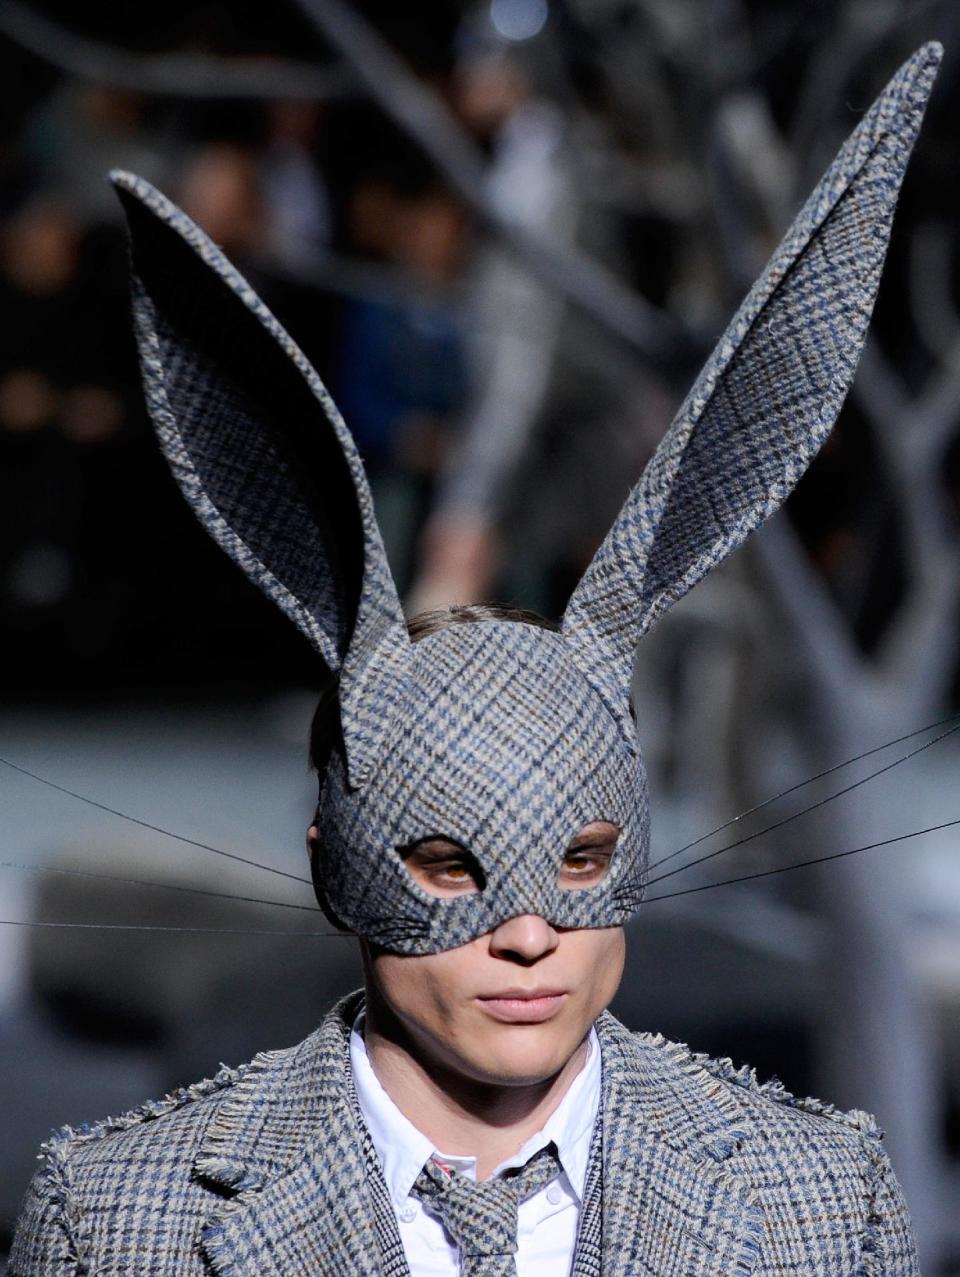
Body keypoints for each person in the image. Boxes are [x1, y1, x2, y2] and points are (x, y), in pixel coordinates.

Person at [10, 43, 940, 1277]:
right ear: (332, 860)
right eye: (447, 862)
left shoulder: (818, 1206)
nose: (529, 932)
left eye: (586, 857)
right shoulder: (124, 1221)